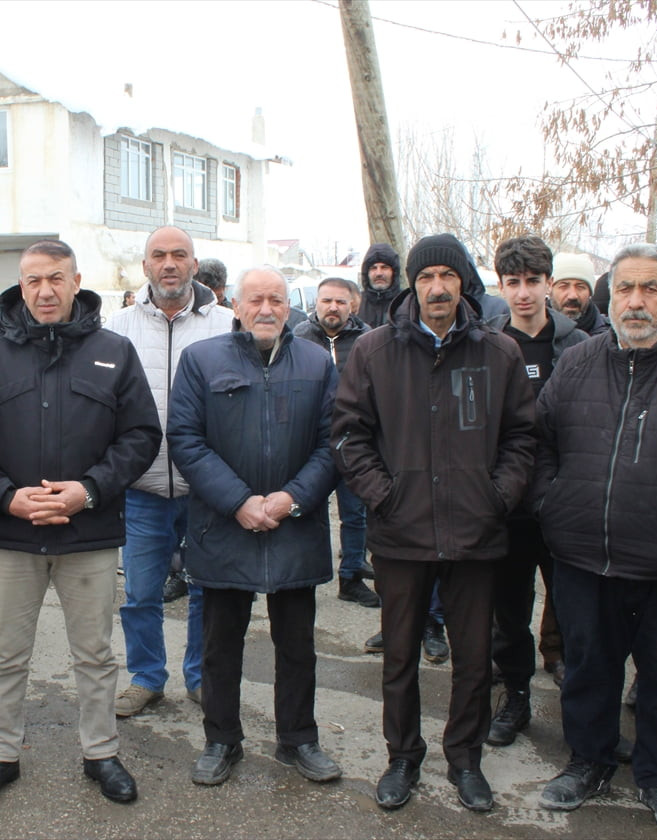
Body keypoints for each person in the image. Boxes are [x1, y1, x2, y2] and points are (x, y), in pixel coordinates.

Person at [0, 239, 160, 807]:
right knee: (6, 653)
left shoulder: (114, 350)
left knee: (94, 652)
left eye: (56, 279)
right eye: (33, 280)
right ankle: (0, 756)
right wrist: (7, 498)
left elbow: (141, 436)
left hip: (86, 533)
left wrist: (87, 491)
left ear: (75, 281)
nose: (44, 291)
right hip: (11, 534)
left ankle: (102, 753)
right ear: (19, 284)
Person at [331, 233, 536, 813]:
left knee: (473, 658)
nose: (437, 288)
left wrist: (498, 496)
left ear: (463, 283)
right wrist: (383, 495)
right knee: (400, 655)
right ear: (412, 285)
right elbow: (349, 434)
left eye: (447, 276)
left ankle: (464, 760)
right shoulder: (373, 352)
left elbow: (523, 436)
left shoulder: (498, 353)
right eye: (425, 277)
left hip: (476, 532)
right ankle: (403, 758)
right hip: (401, 533)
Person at [534, 243, 657, 837]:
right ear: (609, 295)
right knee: (589, 669)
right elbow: (540, 442)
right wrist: (552, 505)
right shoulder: (577, 363)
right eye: (625, 289)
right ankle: (588, 761)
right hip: (581, 557)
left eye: (650, 289)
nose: (637, 301)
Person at [168, 264, 342, 787]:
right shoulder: (201, 360)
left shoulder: (316, 363)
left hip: (294, 524)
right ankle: (221, 740)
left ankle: (299, 739)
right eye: (256, 300)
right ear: (236, 307)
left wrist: (291, 499)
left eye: (276, 300)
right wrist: (239, 501)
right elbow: (186, 440)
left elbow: (334, 442)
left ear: (289, 307)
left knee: (297, 645)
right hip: (224, 526)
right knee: (221, 644)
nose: (266, 309)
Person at [105, 226, 232, 717]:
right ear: (145, 267)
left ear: (195, 265)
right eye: (159, 255)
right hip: (141, 487)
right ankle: (146, 677)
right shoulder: (118, 327)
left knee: (206, 590)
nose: (169, 263)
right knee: (139, 593)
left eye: (180, 255)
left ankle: (201, 676)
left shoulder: (226, 325)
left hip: (207, 489)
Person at [484, 236, 585, 747]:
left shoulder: (583, 343)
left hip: (566, 505)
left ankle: (582, 710)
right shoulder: (485, 342)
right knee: (510, 610)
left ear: (549, 283)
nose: (524, 294)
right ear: (500, 286)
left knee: (573, 611)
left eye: (533, 282)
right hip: (507, 506)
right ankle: (516, 697)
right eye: (513, 283)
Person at [293, 277, 377, 607]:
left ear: (352, 305)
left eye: (341, 302)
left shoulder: (368, 339)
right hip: (310, 441)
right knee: (304, 509)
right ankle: (301, 575)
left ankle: (351, 577)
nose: (333, 307)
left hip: (354, 440)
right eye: (327, 300)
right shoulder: (300, 336)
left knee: (355, 514)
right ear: (316, 302)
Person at [550, 252, 610, 336]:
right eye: (564, 286)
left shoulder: (610, 337)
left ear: (590, 292)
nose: (573, 296)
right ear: (550, 289)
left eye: (580, 287)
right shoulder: (533, 331)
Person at [358, 243, 402, 328]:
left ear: (394, 272)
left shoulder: (406, 302)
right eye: (373, 268)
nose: (379, 273)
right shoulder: (358, 303)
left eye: (384, 267)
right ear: (366, 273)